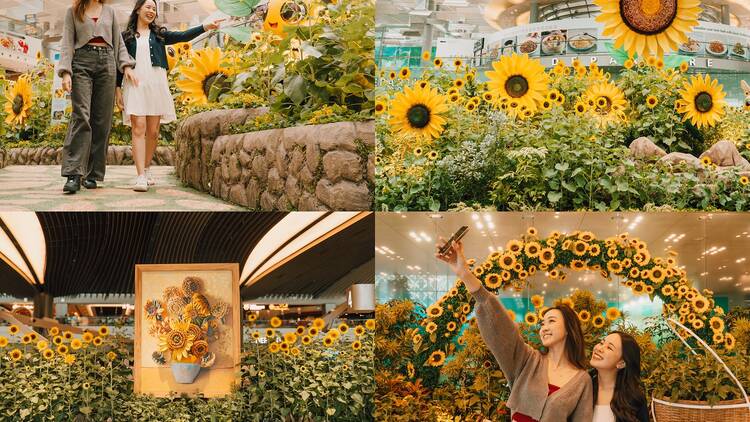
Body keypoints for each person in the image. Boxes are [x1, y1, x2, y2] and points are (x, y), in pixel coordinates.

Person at [436, 238, 593, 422]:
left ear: (569, 329)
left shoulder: (582, 381)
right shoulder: (528, 361)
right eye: (542, 323)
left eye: (551, 321)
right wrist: (465, 274)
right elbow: (502, 328)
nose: (544, 327)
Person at [115, 0, 222, 191]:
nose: (151, 11)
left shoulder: (159, 35)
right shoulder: (126, 37)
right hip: (135, 84)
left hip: (157, 83)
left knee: (153, 132)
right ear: (138, 9)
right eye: (148, 7)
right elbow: (119, 63)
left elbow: (183, 35)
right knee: (138, 128)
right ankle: (140, 176)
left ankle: (147, 168)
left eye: (154, 9)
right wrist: (117, 88)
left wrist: (205, 26)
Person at [58, 0, 138, 193]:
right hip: (81, 62)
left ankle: (93, 174)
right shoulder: (73, 11)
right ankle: (74, 174)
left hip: (107, 64)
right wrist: (66, 72)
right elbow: (67, 43)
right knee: (81, 115)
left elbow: (118, 42)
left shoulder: (109, 11)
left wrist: (126, 66)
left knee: (102, 121)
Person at [590, 331, 649, 422]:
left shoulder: (634, 398)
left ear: (621, 363)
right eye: (601, 342)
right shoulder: (582, 386)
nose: (599, 348)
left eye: (609, 348)